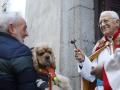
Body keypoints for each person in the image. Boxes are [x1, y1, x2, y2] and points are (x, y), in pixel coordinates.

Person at [0, 12, 48, 90]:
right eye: (24, 29)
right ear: (11, 29)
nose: (27, 34)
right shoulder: (20, 52)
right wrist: (44, 79)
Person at [74, 11, 120, 90]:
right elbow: (92, 75)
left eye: (105, 21)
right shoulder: (99, 46)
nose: (102, 25)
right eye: (100, 23)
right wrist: (83, 60)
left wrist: (104, 67)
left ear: (117, 22)